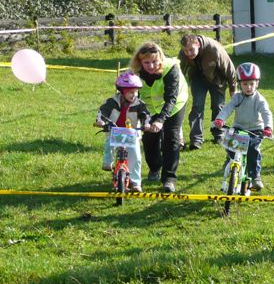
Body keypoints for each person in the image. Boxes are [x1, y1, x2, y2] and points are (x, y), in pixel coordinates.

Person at [131, 42, 189, 193]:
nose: (151, 66)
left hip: (174, 104)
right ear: (140, 62)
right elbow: (130, 96)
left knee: (171, 138)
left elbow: (171, 98)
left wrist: (160, 120)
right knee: (149, 138)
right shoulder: (134, 72)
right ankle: (155, 167)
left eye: (155, 62)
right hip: (149, 107)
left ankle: (169, 179)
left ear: (160, 59)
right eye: (146, 63)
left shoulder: (171, 68)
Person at [213, 62, 274, 191]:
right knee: (230, 144)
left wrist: (268, 127)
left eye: (252, 84)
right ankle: (230, 159)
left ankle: (255, 176)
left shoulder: (259, 99)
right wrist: (220, 119)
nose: (248, 87)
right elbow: (228, 109)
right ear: (239, 84)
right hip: (239, 127)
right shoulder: (237, 97)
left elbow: (266, 113)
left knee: (253, 150)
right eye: (245, 84)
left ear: (257, 83)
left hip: (255, 130)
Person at [178, 34, 238, 149]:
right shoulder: (183, 53)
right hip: (198, 77)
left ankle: (219, 134)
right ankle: (196, 139)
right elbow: (179, 71)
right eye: (186, 51)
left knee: (218, 106)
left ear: (198, 44)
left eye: (191, 50)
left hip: (217, 78)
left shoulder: (214, 48)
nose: (189, 53)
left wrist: (233, 88)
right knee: (197, 106)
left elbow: (229, 68)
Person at [94, 72, 151, 192]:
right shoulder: (112, 102)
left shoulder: (139, 104)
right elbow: (102, 112)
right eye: (131, 92)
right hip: (114, 130)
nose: (134, 95)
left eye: (136, 92)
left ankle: (135, 182)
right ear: (122, 91)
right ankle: (108, 162)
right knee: (109, 144)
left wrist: (146, 124)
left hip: (131, 133)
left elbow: (145, 115)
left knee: (135, 156)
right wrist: (100, 121)